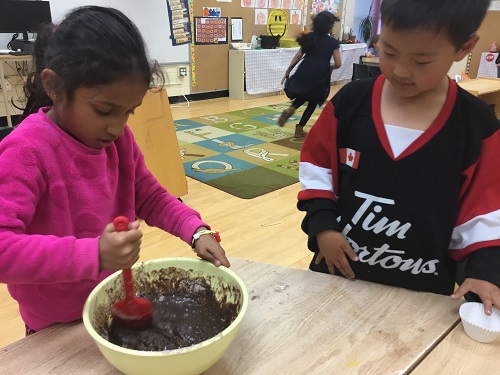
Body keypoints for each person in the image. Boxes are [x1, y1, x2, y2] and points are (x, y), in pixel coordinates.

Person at [0, 6, 229, 335]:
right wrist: (93, 253)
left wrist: (195, 230)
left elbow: (149, 196)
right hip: (53, 327)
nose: (117, 128)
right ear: (54, 87)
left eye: (128, 112)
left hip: (111, 305)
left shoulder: (120, 143)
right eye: (104, 110)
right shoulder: (26, 151)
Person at [297, 0, 500, 315]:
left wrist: (485, 272)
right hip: (338, 280)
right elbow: (316, 169)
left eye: (422, 60)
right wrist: (323, 226)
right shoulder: (349, 103)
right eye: (388, 52)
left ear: (463, 48)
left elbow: (486, 208)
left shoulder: (476, 125)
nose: (401, 71)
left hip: (425, 295)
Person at [278, 11, 341, 138]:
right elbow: (338, 63)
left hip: (305, 69)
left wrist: (288, 71)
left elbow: (298, 55)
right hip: (321, 73)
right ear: (330, 26)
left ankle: (292, 108)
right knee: (313, 100)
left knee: (304, 93)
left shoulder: (309, 38)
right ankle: (300, 128)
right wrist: (331, 68)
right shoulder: (332, 42)